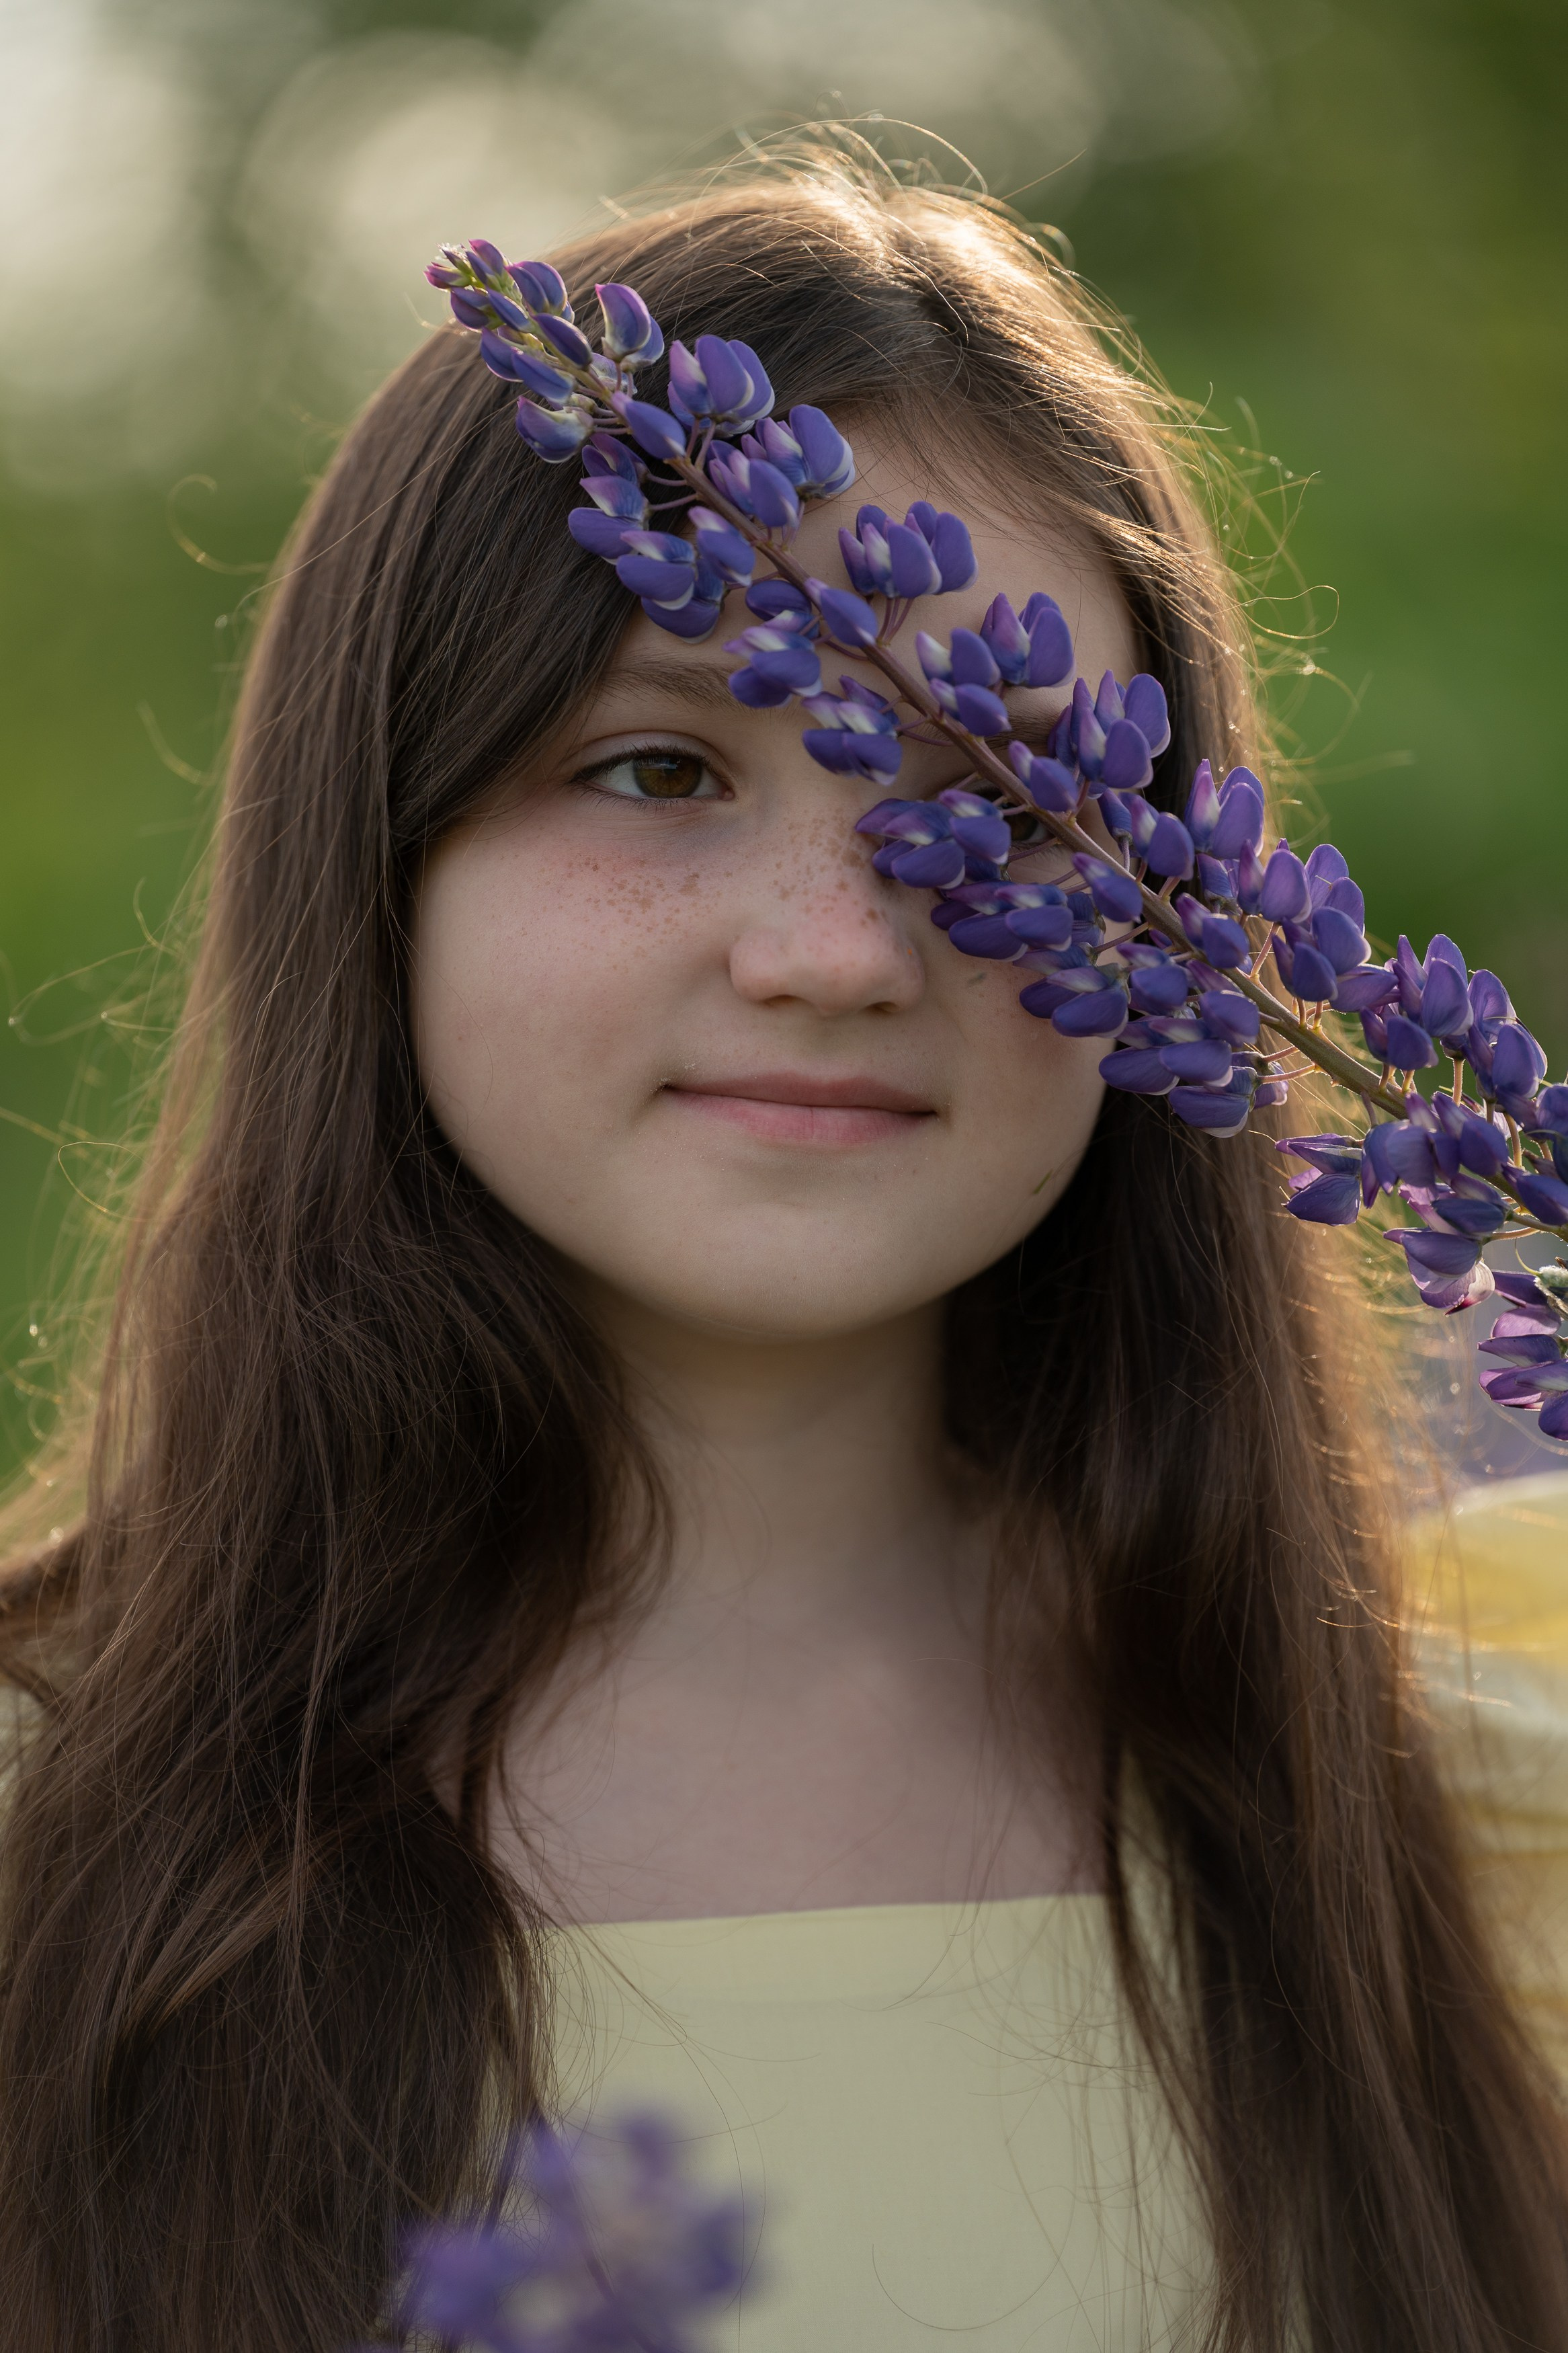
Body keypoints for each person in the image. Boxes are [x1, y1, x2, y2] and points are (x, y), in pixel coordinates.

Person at [1, 147, 1565, 2353]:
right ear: (381, 856)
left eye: (1008, 808)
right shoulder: (40, 1837)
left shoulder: (1491, 1792)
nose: (840, 949)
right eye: (656, 769)